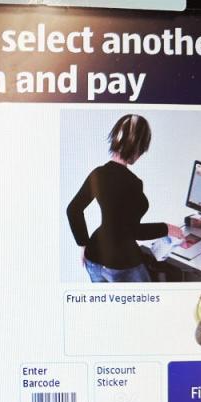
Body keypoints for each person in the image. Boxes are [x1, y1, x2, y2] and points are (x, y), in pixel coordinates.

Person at [66, 114, 184, 283]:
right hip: (121, 264)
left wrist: (83, 245)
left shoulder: (98, 173)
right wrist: (167, 228)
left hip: (93, 258)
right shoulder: (133, 183)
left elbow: (73, 210)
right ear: (137, 148)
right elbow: (132, 231)